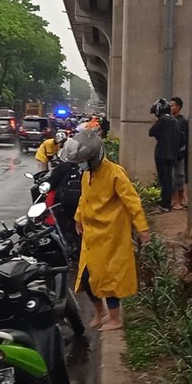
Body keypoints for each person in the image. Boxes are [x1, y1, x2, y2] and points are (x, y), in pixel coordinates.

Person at [67, 129, 147, 331]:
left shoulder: (114, 172)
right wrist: (79, 217)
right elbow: (84, 198)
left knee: (109, 279)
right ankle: (100, 312)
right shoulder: (87, 174)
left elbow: (132, 201)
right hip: (91, 235)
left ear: (93, 157)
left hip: (110, 235)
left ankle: (115, 318)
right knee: (86, 277)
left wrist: (142, 228)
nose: (80, 165)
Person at [148, 99, 180, 212]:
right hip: (172, 154)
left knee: (164, 181)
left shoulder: (162, 120)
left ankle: (164, 205)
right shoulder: (175, 121)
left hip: (161, 154)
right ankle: (166, 204)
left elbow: (151, 132)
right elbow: (178, 138)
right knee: (168, 180)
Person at [170, 97, 190, 210]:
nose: (170, 107)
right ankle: (176, 200)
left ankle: (181, 199)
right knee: (173, 177)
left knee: (180, 176)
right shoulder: (169, 120)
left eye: (172, 105)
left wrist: (182, 152)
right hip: (170, 154)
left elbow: (185, 139)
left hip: (180, 154)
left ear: (178, 107)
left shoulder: (182, 121)